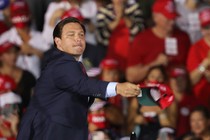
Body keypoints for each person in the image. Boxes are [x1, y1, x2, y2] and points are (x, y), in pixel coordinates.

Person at [16, 17, 141, 140]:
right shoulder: (61, 63)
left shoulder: (73, 64)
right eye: (71, 35)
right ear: (58, 42)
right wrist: (117, 87)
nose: (78, 38)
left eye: (81, 35)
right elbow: (83, 85)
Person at [126, 0, 191, 84]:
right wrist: (154, 63)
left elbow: (190, 68)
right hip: (150, 93)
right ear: (155, 17)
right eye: (168, 18)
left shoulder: (183, 38)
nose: (172, 22)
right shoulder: (142, 40)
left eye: (173, 18)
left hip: (176, 92)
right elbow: (131, 76)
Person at [186, 8, 210, 111]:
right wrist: (205, 63)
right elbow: (190, 80)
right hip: (201, 104)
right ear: (201, 29)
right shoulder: (196, 48)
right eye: (206, 27)